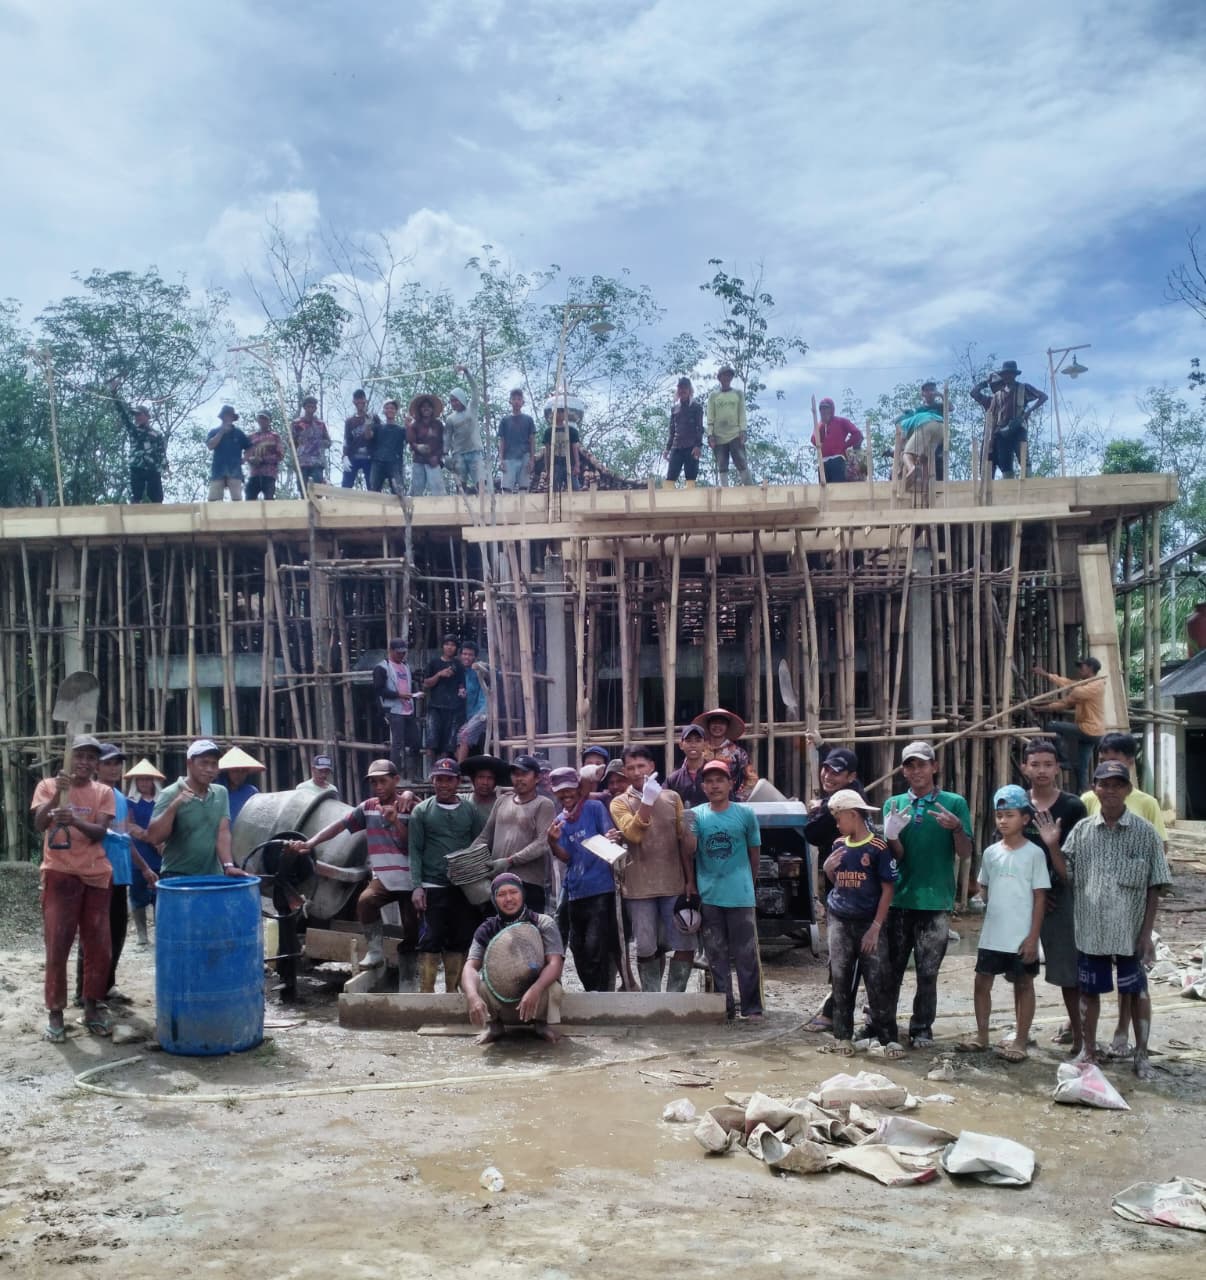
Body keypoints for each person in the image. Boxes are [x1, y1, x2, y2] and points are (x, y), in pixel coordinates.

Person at [1053, 760, 1172, 1080]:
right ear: (1094, 788)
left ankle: (1142, 1054)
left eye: (1117, 784)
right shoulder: (1081, 831)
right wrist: (1052, 847)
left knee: (1137, 992)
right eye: (1104, 784)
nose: (1110, 790)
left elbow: (1155, 886)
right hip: (1091, 930)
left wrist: (1146, 936)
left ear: (1128, 790)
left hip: (1130, 931)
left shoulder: (1146, 834)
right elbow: (1068, 877)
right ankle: (1088, 1050)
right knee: (1089, 993)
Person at [289, 760, 420, 987]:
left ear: (396, 780)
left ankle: (409, 979)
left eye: (383, 781)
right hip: (384, 877)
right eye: (374, 782)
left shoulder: (411, 806)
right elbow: (339, 826)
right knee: (366, 902)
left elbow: (413, 846)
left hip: (411, 878)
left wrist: (395, 821)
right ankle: (376, 951)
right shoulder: (368, 807)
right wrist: (310, 843)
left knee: (411, 929)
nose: (378, 786)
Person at [881, 741, 972, 1049]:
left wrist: (957, 828)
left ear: (934, 766)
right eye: (910, 765)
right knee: (890, 970)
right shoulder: (893, 804)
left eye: (922, 764)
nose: (916, 770)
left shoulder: (954, 803)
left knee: (928, 971)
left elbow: (965, 852)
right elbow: (898, 856)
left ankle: (921, 1028)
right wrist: (891, 836)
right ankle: (885, 1026)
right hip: (899, 900)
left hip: (936, 901)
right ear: (903, 770)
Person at [955, 785, 1050, 1064]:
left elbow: (1040, 897)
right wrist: (979, 898)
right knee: (981, 982)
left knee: (1023, 984)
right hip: (992, 933)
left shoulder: (1034, 854)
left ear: (1025, 819)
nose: (1003, 821)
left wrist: (1033, 937)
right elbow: (984, 889)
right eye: (999, 815)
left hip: (1021, 934)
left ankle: (1020, 1040)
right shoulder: (991, 853)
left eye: (1009, 815)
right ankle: (982, 1035)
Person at [31, 735, 114, 1041]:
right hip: (60, 873)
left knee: (99, 947)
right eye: (79, 756)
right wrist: (56, 800)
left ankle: (91, 1008)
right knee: (57, 946)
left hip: (96, 876)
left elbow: (100, 832)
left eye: (91, 758)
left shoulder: (103, 791)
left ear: (96, 764)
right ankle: (55, 1012)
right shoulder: (47, 786)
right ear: (67, 758)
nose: (84, 762)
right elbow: (40, 824)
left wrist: (75, 822)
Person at [1021, 737, 1089, 1055]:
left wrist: (1050, 890)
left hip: (1061, 897)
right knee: (1021, 969)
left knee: (1068, 972)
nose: (1042, 770)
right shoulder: (1017, 803)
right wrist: (1031, 893)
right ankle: (1021, 1035)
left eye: (1048, 764)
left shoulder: (1073, 807)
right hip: (1023, 897)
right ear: (1024, 768)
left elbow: (1077, 863)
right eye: (1035, 764)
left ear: (1058, 768)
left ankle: (1079, 1037)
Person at [818, 788, 899, 1055]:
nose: (837, 824)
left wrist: (876, 927)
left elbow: (888, 888)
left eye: (839, 818)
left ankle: (888, 1038)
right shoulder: (838, 846)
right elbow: (839, 883)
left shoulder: (878, 847)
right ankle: (843, 1036)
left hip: (868, 921)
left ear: (853, 815)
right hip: (839, 919)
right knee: (841, 981)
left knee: (877, 982)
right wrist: (829, 870)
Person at [77, 744, 157, 1007]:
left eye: (117, 763)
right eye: (109, 763)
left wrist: (144, 867)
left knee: (117, 933)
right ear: (97, 766)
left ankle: (106, 986)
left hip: (120, 874)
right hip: (97, 874)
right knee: (93, 935)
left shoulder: (120, 798)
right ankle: (83, 992)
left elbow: (126, 838)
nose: (114, 768)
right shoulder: (91, 796)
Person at [610, 745, 694, 993]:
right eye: (631, 767)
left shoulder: (672, 798)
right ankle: (652, 999)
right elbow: (634, 835)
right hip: (638, 887)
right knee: (646, 946)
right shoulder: (619, 802)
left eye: (641, 766)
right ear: (625, 771)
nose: (636, 771)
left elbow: (684, 843)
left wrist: (690, 880)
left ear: (652, 767)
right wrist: (646, 800)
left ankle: (674, 998)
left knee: (684, 941)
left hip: (674, 883)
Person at [800, 740, 871, 1034]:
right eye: (826, 769)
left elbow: (812, 834)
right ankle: (860, 1012)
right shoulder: (850, 794)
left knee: (847, 957)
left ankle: (837, 1015)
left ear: (851, 777)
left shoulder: (844, 803)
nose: (828, 775)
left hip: (853, 890)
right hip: (846, 886)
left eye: (836, 772)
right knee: (848, 956)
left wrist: (819, 811)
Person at [682, 759, 762, 1019]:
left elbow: (754, 852)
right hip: (710, 894)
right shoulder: (697, 814)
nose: (715, 785)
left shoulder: (745, 814)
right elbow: (690, 852)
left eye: (720, 780)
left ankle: (751, 1008)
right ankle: (724, 1007)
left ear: (730, 784)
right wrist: (688, 829)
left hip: (740, 895)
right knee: (716, 954)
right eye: (709, 781)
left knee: (746, 955)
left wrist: (749, 882)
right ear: (703, 786)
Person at [408, 757, 487, 994]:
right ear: (433, 781)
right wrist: (417, 886)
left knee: (459, 938)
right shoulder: (422, 811)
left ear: (458, 782)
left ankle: (452, 992)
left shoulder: (470, 811)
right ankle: (427, 993)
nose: (443, 784)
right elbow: (415, 850)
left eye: (449, 780)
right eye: (439, 779)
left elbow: (480, 843)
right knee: (431, 939)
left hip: (463, 886)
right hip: (432, 885)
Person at [462, 873, 565, 1045]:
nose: (508, 899)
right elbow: (469, 967)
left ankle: (541, 1024)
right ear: (494, 899)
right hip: (500, 997)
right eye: (501, 894)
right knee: (475, 985)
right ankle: (495, 1026)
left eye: (513, 892)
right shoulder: (486, 929)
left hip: (537, 995)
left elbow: (555, 963)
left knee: (554, 988)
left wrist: (536, 989)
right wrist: (472, 996)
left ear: (522, 894)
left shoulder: (543, 922)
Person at [548, 766, 620, 991]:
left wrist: (611, 837)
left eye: (570, 790)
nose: (566, 795)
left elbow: (609, 836)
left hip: (600, 888)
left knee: (595, 946)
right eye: (561, 792)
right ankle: (592, 992)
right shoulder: (560, 820)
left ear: (579, 789)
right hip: (575, 889)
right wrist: (552, 842)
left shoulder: (594, 807)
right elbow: (567, 858)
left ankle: (599, 995)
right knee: (577, 948)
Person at [145, 740, 251, 879]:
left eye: (214, 764)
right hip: (177, 874)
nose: (209, 769)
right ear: (189, 763)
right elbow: (154, 837)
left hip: (212, 874)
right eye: (204, 763)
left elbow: (223, 831)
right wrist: (175, 805)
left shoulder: (220, 793)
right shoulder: (170, 793)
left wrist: (228, 865)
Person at [475, 755, 556, 910]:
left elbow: (542, 843)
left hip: (528, 883)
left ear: (537, 778)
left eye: (524, 774)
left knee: (526, 931)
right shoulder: (502, 800)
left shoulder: (544, 804)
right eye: (515, 774)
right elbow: (485, 836)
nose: (519, 779)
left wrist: (510, 861)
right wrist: (466, 858)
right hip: (498, 880)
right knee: (499, 932)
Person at [1034, 656, 1106, 792]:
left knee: (1052, 726)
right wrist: (1043, 708)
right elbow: (1065, 703)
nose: (1079, 669)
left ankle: (1063, 758)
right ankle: (1082, 796)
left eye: (1082, 667)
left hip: (1089, 730)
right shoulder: (1084, 685)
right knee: (1081, 768)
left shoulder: (1096, 685)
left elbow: (1075, 690)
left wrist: (1070, 685)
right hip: (1091, 732)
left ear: (1090, 668)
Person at [970, 360, 1047, 480]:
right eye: (1004, 374)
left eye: (1009, 374)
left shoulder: (1023, 388)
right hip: (1000, 434)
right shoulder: (996, 397)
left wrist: (1028, 412)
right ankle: (1008, 485)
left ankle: (1029, 485)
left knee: (1023, 456)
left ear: (1014, 374)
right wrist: (990, 441)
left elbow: (1043, 396)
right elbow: (992, 417)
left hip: (1017, 427)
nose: (1007, 376)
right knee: (1004, 463)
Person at [125, 757, 165, 947]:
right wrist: (149, 836)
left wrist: (160, 839)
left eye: (147, 779)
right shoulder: (130, 802)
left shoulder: (162, 801)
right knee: (137, 894)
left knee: (160, 895)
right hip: (138, 854)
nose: (144, 783)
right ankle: (142, 935)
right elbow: (128, 825)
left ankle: (161, 933)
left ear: (153, 781)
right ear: (135, 782)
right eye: (140, 780)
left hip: (159, 855)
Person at [109, 381, 167, 503]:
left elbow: (161, 453)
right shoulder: (134, 430)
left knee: (157, 498)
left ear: (146, 416)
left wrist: (164, 466)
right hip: (137, 466)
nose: (137, 417)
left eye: (139, 415)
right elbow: (123, 414)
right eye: (135, 415)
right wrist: (114, 393)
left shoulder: (156, 434)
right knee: (136, 496)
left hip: (152, 468)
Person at [373, 638, 419, 778]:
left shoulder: (405, 666)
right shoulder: (382, 667)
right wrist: (399, 695)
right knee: (397, 744)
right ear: (391, 651)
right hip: (393, 710)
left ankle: (414, 775)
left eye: (403, 652)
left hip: (408, 709)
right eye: (398, 652)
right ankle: (395, 776)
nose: (401, 655)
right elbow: (379, 690)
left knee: (416, 742)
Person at [691, 707, 756, 800]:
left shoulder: (738, 753)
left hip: (728, 802)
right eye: (714, 722)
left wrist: (739, 798)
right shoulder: (699, 750)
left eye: (721, 723)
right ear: (708, 725)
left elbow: (752, 778)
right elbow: (687, 774)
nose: (717, 726)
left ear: (727, 726)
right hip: (701, 801)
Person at [423, 634, 466, 765]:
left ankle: (443, 773)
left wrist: (462, 691)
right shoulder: (434, 663)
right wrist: (439, 674)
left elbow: (462, 684)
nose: (449, 647)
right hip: (435, 707)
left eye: (452, 645)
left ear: (456, 648)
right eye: (447, 644)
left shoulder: (458, 665)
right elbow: (426, 683)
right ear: (442, 646)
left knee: (448, 745)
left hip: (453, 709)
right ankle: (432, 774)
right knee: (432, 742)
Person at [706, 365, 750, 486]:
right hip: (719, 435)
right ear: (719, 378)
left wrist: (743, 430)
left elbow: (742, 413)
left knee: (741, 460)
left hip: (735, 433)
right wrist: (710, 434)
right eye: (724, 375)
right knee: (722, 464)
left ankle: (749, 487)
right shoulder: (714, 396)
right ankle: (725, 491)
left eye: (729, 375)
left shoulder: (738, 394)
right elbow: (710, 416)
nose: (726, 377)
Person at [896, 384, 945, 487]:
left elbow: (902, 441)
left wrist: (900, 467)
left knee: (906, 454)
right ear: (922, 393)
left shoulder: (903, 423)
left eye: (932, 390)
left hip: (926, 426)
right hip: (942, 429)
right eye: (927, 391)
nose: (930, 392)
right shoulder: (919, 412)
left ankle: (912, 469)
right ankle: (926, 486)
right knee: (924, 458)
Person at [445, 365, 482, 492]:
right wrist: (445, 455)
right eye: (451, 401)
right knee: (460, 484)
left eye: (455, 400)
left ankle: (484, 504)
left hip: (474, 451)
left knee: (480, 481)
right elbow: (447, 438)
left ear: (461, 399)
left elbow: (475, 389)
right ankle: (460, 507)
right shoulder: (450, 418)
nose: (454, 403)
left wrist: (467, 372)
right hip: (459, 454)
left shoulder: (472, 408)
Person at [664, 377, 704, 489]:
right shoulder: (674, 409)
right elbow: (672, 430)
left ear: (689, 390)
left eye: (685, 388)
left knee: (691, 479)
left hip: (691, 447)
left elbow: (699, 428)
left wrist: (698, 446)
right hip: (676, 447)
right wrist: (667, 448)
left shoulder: (696, 407)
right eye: (680, 388)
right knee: (670, 478)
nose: (682, 391)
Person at [455, 640, 490, 763]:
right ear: (460, 656)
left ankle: (459, 770)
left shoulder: (478, 669)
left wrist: (480, 666)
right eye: (464, 654)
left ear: (475, 656)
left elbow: (491, 671)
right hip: (468, 715)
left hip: (482, 712)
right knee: (458, 737)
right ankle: (462, 769)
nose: (467, 657)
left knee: (464, 736)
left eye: (470, 654)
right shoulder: (460, 672)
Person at [813, 397, 863, 483]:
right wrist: (821, 426)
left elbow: (857, 434)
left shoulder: (841, 421)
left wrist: (844, 446)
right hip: (823, 462)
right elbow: (814, 439)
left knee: (838, 490)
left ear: (831, 410)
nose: (824, 412)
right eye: (822, 409)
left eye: (826, 408)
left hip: (837, 460)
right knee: (824, 492)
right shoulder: (820, 425)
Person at [206, 406, 250, 501]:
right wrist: (221, 432)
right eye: (226, 416)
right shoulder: (214, 431)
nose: (228, 418)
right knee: (213, 500)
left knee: (237, 500)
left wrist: (244, 459)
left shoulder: (239, 433)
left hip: (235, 471)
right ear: (222, 417)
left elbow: (250, 447)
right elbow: (210, 446)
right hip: (218, 470)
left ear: (233, 418)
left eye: (230, 416)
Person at [497, 388, 536, 492]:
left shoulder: (528, 420)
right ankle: (506, 508)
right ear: (510, 401)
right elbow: (502, 441)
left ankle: (524, 508)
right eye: (514, 399)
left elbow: (532, 440)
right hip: (509, 458)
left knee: (524, 487)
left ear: (522, 402)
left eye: (519, 399)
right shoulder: (505, 421)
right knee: (506, 489)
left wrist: (532, 460)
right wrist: (501, 460)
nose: (516, 401)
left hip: (524, 456)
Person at [407, 394, 446, 496]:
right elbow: (411, 443)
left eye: (428, 406)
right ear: (420, 409)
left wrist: (437, 457)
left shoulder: (438, 425)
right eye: (423, 407)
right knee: (416, 491)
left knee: (439, 491)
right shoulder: (414, 425)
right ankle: (413, 511)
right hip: (419, 461)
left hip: (434, 461)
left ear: (432, 409)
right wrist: (418, 447)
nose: (426, 408)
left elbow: (442, 444)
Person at [341, 389, 378, 489]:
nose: (359, 402)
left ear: (365, 400)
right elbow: (346, 440)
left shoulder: (373, 417)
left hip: (370, 457)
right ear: (354, 402)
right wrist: (344, 456)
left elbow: (379, 436)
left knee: (373, 487)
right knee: (346, 485)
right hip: (353, 456)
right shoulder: (349, 421)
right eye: (357, 399)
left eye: (361, 399)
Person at [243, 410, 285, 500]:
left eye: (265, 419)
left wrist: (264, 460)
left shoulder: (275, 436)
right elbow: (246, 454)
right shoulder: (251, 437)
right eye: (260, 418)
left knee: (269, 499)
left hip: (269, 474)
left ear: (269, 421)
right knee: (249, 498)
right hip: (254, 473)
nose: (262, 421)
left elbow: (280, 455)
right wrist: (251, 460)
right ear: (257, 420)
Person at [368, 399, 407, 494]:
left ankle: (399, 509)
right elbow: (368, 436)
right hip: (378, 462)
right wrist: (367, 425)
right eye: (387, 408)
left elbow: (410, 440)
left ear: (396, 411)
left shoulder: (401, 429)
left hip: (395, 464)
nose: (390, 410)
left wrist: (408, 425)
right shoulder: (377, 427)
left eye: (392, 408)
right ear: (384, 411)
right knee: (373, 492)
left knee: (398, 492)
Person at [291, 395, 331, 488]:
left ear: (316, 408)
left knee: (317, 489)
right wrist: (298, 441)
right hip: (302, 462)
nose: (311, 409)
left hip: (316, 462)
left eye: (313, 407)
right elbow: (291, 443)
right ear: (304, 407)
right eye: (309, 406)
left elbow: (328, 442)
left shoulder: (320, 424)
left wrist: (322, 443)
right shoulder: (296, 423)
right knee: (302, 489)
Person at [218, 746, 264, 825]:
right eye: (235, 771)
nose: (239, 775)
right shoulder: (218, 791)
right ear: (228, 771)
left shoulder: (251, 792)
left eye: (243, 771)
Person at [667, 724, 708, 809]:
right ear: (681, 745)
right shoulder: (673, 779)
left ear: (705, 745)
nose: (693, 745)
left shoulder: (715, 773)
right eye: (688, 741)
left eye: (698, 741)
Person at [542, 405, 582, 492]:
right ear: (553, 414)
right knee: (554, 490)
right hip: (555, 465)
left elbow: (575, 448)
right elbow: (547, 452)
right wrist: (547, 469)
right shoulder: (549, 432)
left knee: (575, 488)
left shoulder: (572, 431)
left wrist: (577, 465)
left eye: (562, 412)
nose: (559, 414)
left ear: (565, 414)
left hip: (569, 465)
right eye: (557, 411)